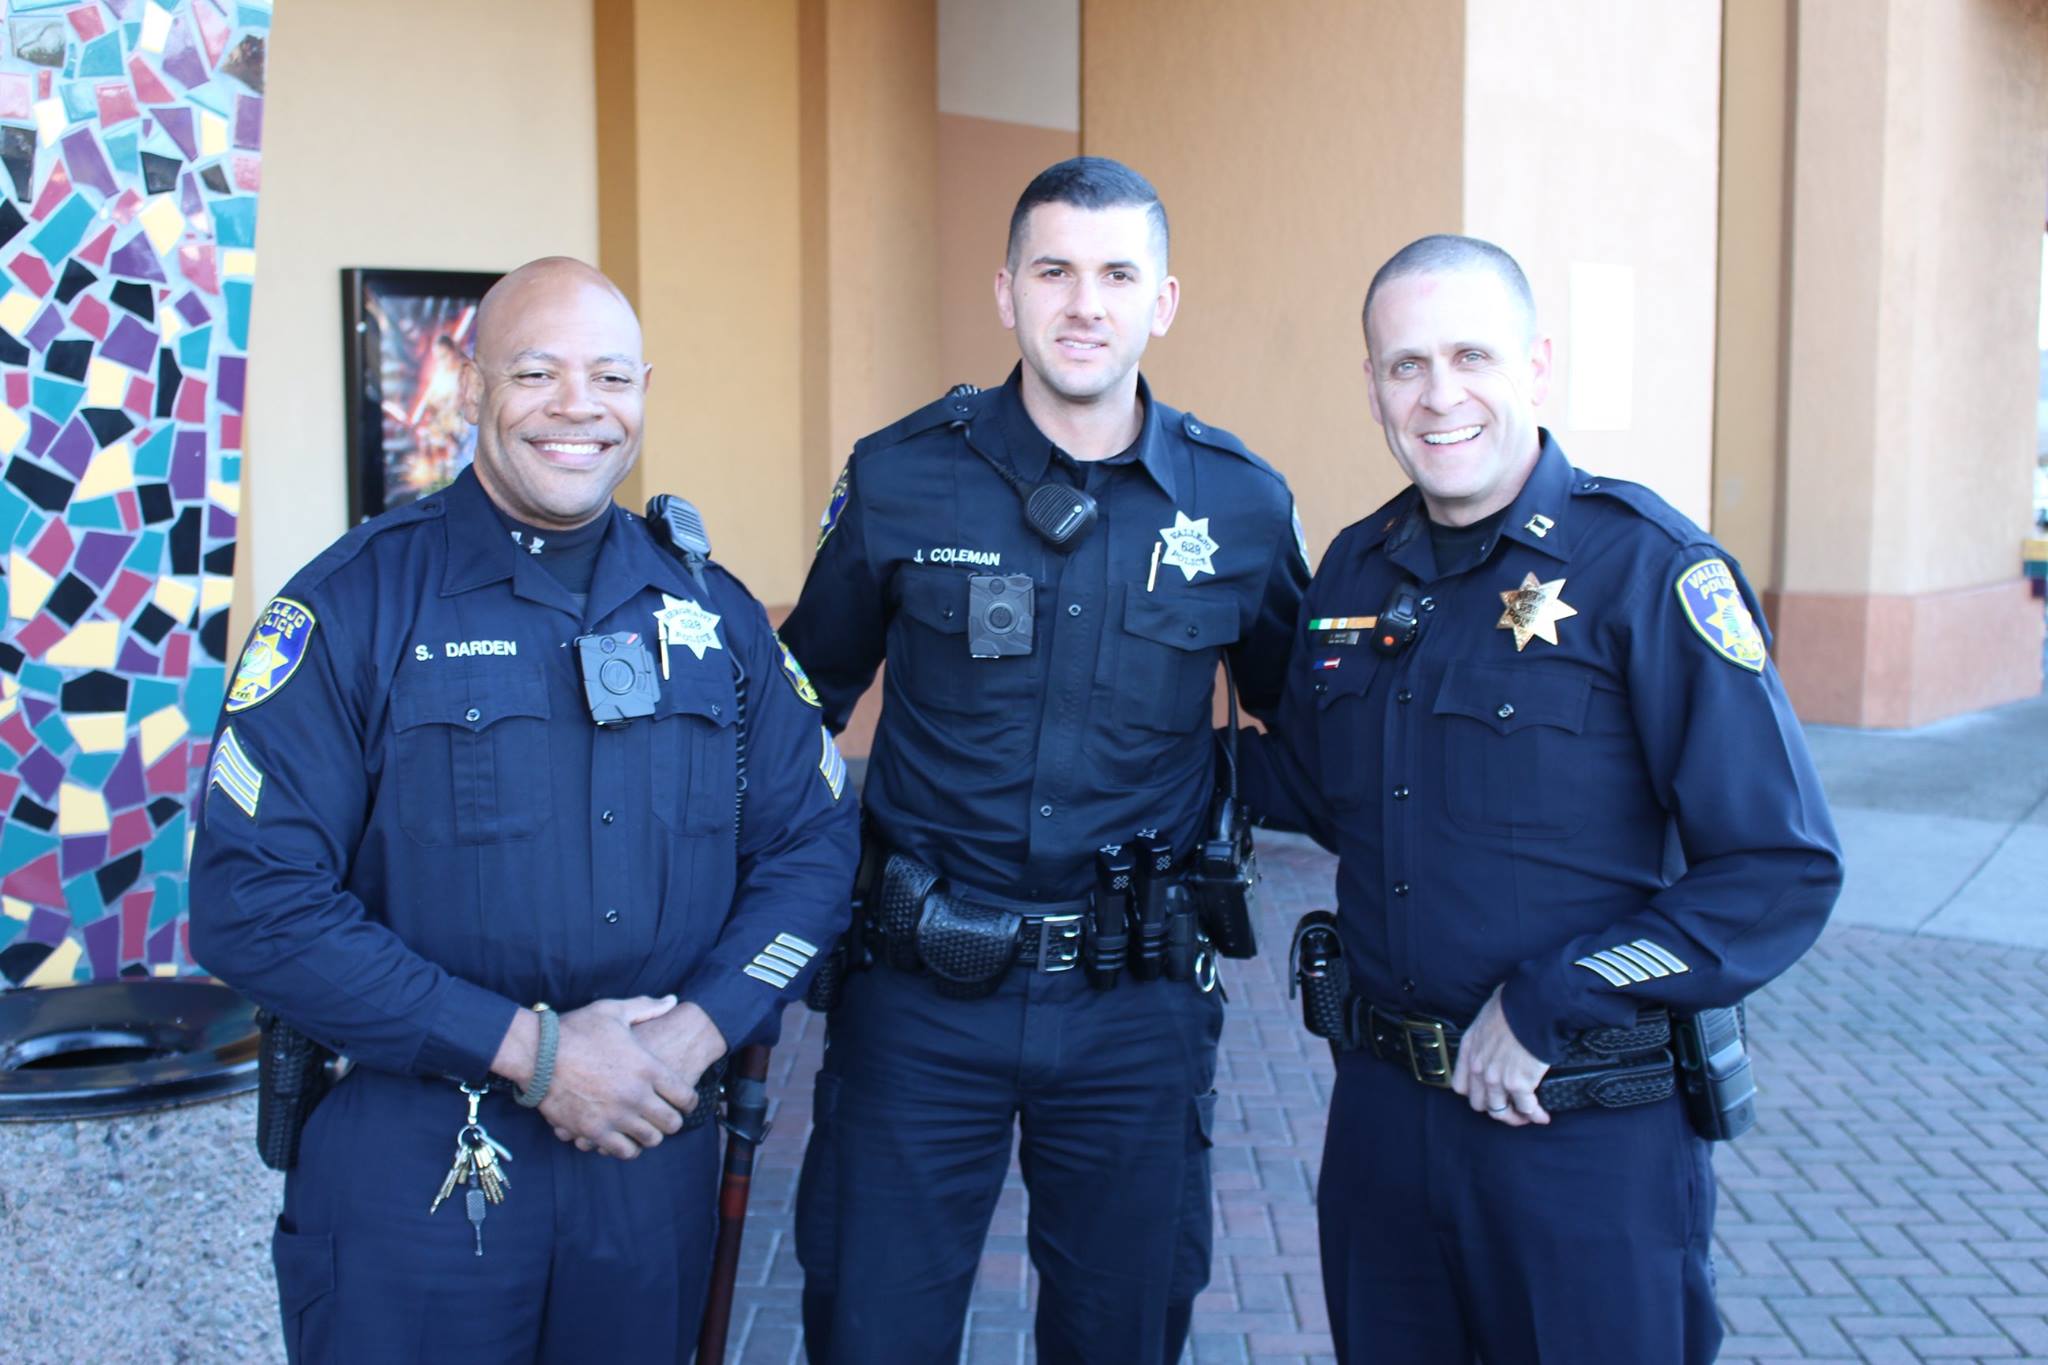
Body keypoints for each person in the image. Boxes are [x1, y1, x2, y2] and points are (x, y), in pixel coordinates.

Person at [188, 257, 860, 1363]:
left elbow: (813, 839)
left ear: (644, 388)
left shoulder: (711, 612)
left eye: (608, 375)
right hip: (417, 1166)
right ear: (467, 383)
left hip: (646, 1152)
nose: (576, 407)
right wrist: (535, 1055)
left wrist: (694, 1035)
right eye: (536, 371)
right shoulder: (353, 604)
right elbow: (248, 902)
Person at [1241, 234, 1844, 1364]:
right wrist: (1117, 755)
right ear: (1370, 385)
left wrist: (1548, 1000)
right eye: (1404, 364)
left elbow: (1778, 867)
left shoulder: (1646, 571)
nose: (1437, 394)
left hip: (1573, 1130)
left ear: (1536, 366)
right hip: (1381, 1121)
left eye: (1470, 355)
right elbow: (1318, 789)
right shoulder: (1354, 572)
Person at [781, 157, 1310, 1364]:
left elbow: (1309, 735)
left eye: (1117, 273)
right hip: (917, 1001)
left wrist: (1201, 809)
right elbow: (797, 706)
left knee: (1120, 1334)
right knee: (869, 1329)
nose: (1084, 303)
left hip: (1134, 1004)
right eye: (1053, 270)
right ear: (1004, 292)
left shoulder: (1237, 504)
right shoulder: (900, 475)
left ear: (1161, 301)